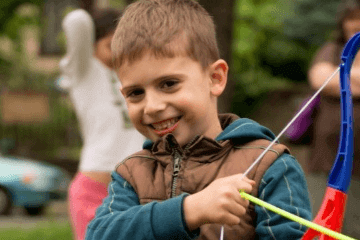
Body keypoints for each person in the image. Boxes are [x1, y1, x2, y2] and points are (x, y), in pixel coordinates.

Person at [85, 1, 312, 239]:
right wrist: (188, 211)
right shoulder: (132, 174)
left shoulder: (270, 166)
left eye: (169, 84)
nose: (152, 107)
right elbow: (98, 234)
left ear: (215, 78)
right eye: (136, 93)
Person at [59, 9, 144, 240]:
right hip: (94, 191)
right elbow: (77, 21)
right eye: (111, 43)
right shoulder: (83, 71)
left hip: (138, 192)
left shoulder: (137, 77)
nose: (119, 50)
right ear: (93, 43)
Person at [307, 0, 360, 237]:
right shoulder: (332, 49)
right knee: (322, 225)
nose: (355, 24)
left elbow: (334, 79)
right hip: (327, 158)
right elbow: (319, 78)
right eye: (350, 18)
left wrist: (343, 77)